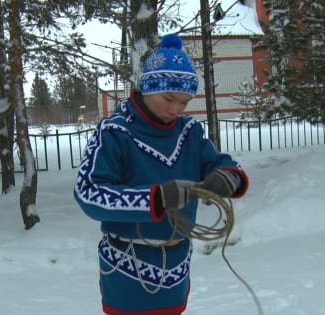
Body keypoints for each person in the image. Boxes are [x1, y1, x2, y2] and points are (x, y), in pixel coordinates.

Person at [73, 33, 249, 315]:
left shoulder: (189, 132)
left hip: (175, 266)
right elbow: (88, 193)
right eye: (169, 98)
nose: (175, 109)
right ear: (147, 86)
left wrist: (227, 175)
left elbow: (221, 162)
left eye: (184, 102)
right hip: (126, 268)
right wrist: (155, 198)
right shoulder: (115, 132)